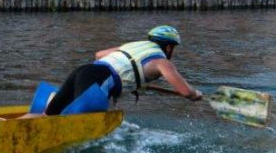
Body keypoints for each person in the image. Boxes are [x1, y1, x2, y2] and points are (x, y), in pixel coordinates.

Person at [40, 25, 201, 117]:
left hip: (82, 71)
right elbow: (186, 92)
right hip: (98, 81)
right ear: (169, 47)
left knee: (47, 116)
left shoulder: (132, 47)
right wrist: (195, 94)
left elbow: (99, 54)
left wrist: (133, 79)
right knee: (79, 121)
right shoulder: (162, 62)